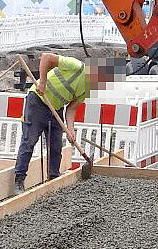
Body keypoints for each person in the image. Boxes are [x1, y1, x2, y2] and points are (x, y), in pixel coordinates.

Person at [12, 52, 120, 190]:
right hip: (38, 101)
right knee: (29, 141)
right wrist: (43, 82)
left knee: (56, 147)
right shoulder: (76, 66)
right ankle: (19, 181)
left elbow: (71, 108)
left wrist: (70, 129)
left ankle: (53, 179)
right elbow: (46, 57)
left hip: (56, 109)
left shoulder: (88, 89)